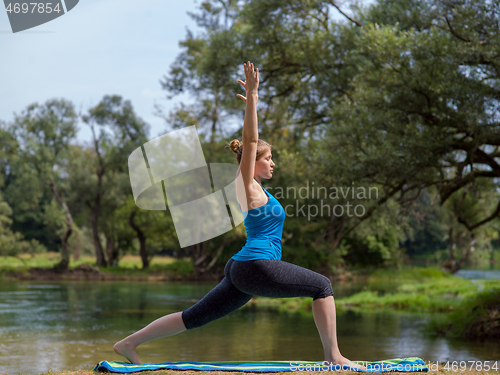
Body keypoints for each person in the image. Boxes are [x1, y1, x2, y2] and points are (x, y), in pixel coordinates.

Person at [113, 61, 366, 371]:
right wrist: (253, 100)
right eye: (269, 158)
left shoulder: (258, 189)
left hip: (243, 268)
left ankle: (129, 343)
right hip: (256, 266)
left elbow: (250, 144)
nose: (274, 163)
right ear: (252, 162)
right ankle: (333, 357)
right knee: (322, 286)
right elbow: (249, 141)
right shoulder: (245, 185)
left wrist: (255, 102)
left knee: (194, 316)